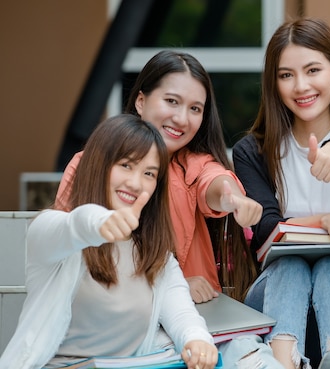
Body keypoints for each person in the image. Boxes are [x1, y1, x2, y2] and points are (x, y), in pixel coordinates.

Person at [232, 18, 330, 369]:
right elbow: (265, 228)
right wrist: (329, 221)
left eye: (312, 70)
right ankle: (282, 362)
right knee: (290, 264)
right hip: (273, 297)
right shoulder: (253, 152)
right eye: (286, 75)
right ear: (274, 83)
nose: (301, 85)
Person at [0, 115, 218, 369]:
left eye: (149, 173)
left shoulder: (156, 255)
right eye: (126, 165)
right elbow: (73, 225)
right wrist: (100, 223)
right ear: (98, 165)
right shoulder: (52, 234)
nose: (135, 183)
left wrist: (198, 341)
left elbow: (182, 316)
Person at [55, 50, 262, 304]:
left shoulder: (193, 166)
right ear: (141, 101)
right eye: (172, 101)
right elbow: (65, 251)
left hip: (197, 320)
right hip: (110, 318)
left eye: (195, 108)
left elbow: (216, 182)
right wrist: (173, 288)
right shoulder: (89, 164)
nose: (182, 118)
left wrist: (236, 200)